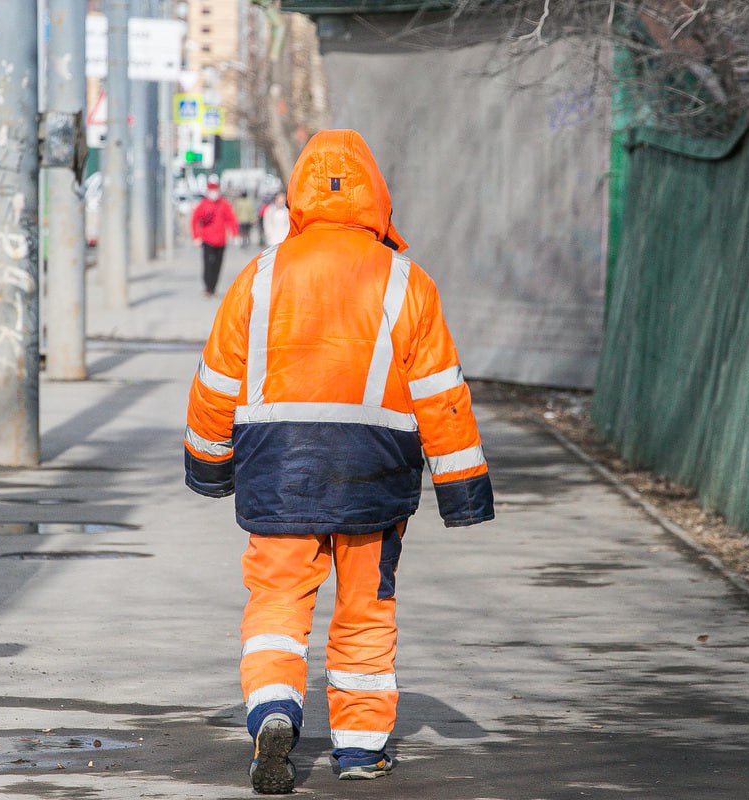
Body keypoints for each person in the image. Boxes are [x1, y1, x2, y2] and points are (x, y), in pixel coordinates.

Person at [182, 129, 494, 794]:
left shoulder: (260, 276)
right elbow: (441, 394)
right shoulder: (407, 281)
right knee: (365, 608)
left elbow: (216, 382)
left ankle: (273, 712)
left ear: (298, 196)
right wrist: (462, 490)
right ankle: (358, 749)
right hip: (373, 473)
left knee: (276, 602)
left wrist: (209, 464)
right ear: (375, 195)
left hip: (276, 471)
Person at [190, 178, 239, 297]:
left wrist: (235, 233)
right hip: (207, 240)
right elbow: (195, 220)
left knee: (218, 264)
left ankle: (213, 287)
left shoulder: (224, 204)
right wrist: (196, 236)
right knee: (208, 264)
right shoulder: (203, 204)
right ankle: (208, 287)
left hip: (221, 240)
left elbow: (231, 219)